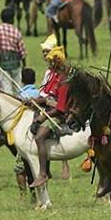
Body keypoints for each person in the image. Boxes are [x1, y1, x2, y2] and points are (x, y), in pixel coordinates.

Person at [29, 45, 71, 188]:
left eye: (53, 61)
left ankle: (43, 173)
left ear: (58, 62)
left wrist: (42, 118)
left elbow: (60, 107)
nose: (50, 64)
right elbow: (48, 96)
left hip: (60, 114)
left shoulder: (64, 79)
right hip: (49, 109)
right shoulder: (54, 76)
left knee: (40, 136)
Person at [0, 7, 26, 87]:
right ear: (12, 19)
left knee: (6, 84)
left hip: (3, 60)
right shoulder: (16, 31)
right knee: (18, 84)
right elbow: (21, 49)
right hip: (15, 61)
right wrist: (24, 63)